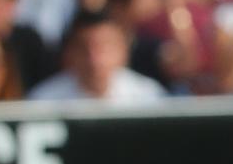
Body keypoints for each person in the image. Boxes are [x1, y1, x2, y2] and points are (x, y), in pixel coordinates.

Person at [28, 9, 169, 107]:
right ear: (69, 53)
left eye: (104, 47)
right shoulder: (43, 101)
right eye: (84, 48)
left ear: (123, 51)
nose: (94, 58)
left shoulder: (150, 97)